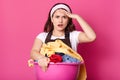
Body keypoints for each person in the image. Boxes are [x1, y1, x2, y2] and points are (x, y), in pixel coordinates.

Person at [30, 3, 96, 72]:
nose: (60, 21)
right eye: (57, 17)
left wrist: (77, 17)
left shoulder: (73, 36)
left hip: (68, 75)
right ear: (52, 19)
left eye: (64, 17)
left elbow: (92, 37)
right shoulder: (42, 36)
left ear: (68, 20)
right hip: (47, 75)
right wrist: (42, 58)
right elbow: (33, 52)